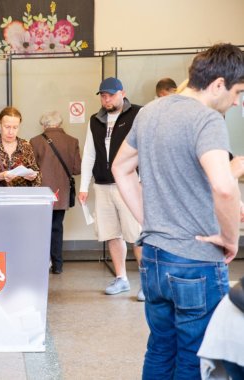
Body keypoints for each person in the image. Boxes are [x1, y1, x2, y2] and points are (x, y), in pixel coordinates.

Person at [112, 43, 244, 379]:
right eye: (238, 92)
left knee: (160, 347)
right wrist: (230, 238)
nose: (238, 101)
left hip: (155, 254)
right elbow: (224, 186)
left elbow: (121, 168)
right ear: (218, 84)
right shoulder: (207, 119)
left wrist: (151, 220)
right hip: (195, 260)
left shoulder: (150, 112)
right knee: (193, 354)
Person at [79, 77, 143, 299]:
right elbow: (89, 153)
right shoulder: (95, 120)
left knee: (136, 234)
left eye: (110, 95)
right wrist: (84, 185)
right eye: (103, 96)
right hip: (103, 184)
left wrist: (144, 178)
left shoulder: (137, 114)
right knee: (112, 234)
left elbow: (147, 146)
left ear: (122, 93)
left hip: (129, 183)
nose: (106, 99)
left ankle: (147, 283)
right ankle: (121, 278)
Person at [30, 111, 81, 274]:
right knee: (57, 227)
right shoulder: (72, 141)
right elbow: (76, 169)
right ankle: (58, 265)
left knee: (41, 227)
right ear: (60, 124)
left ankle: (42, 262)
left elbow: (31, 169)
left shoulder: (35, 141)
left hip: (41, 193)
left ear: (44, 125)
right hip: (61, 192)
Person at [0, 106, 41, 187]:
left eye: (15, 127)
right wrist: (0, 176)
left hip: (20, 197)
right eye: (7, 127)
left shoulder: (25, 145)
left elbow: (37, 176)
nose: (11, 132)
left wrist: (33, 177)